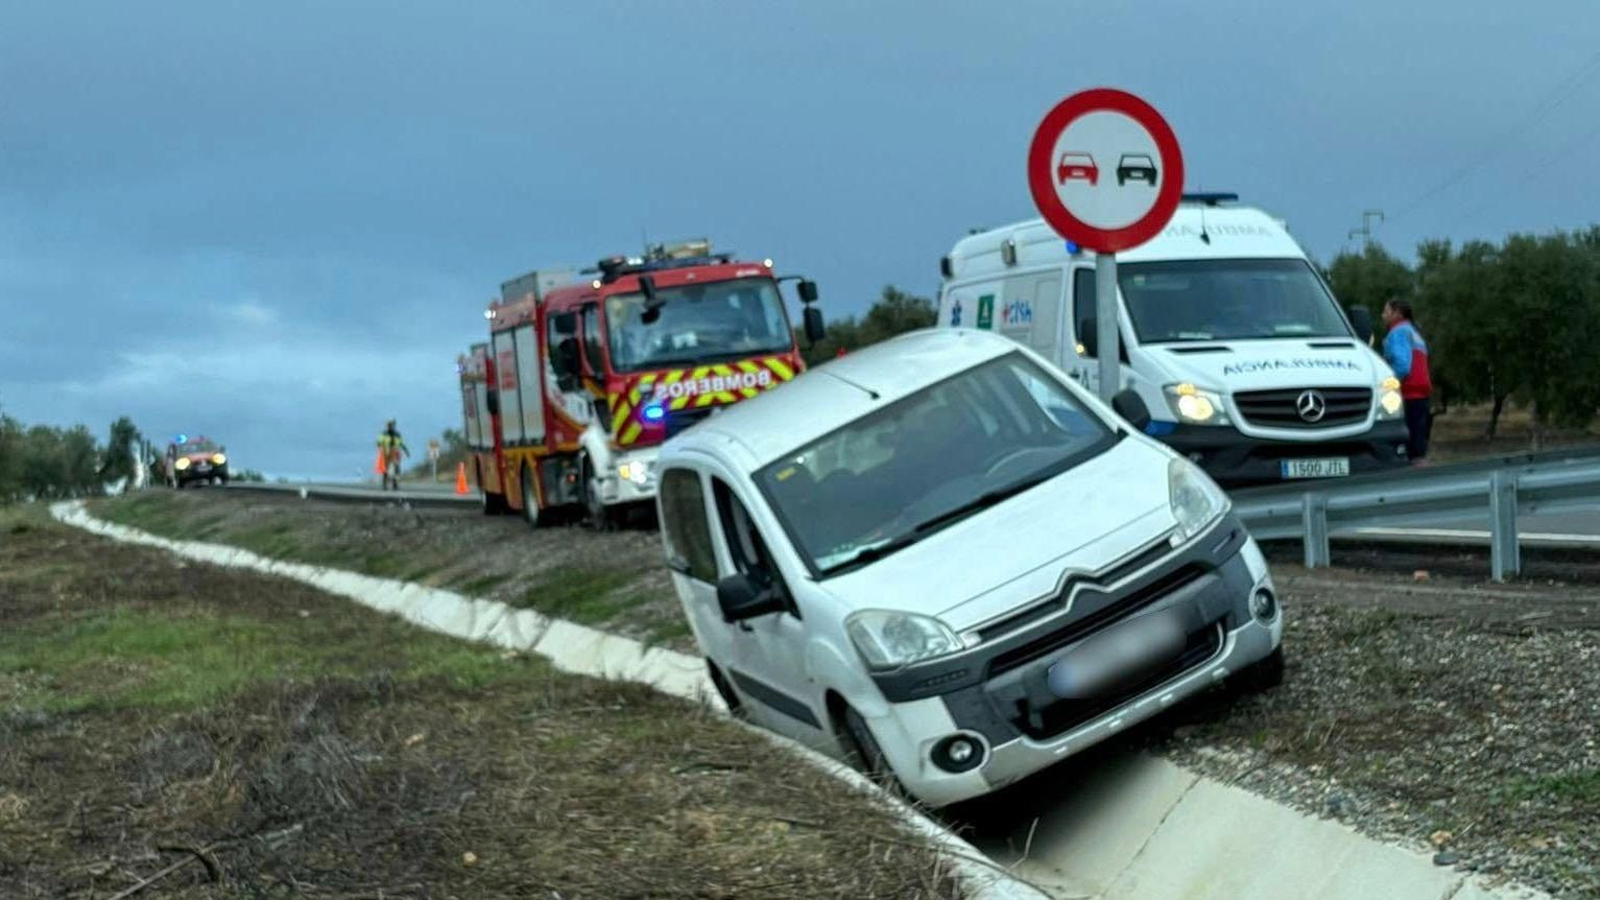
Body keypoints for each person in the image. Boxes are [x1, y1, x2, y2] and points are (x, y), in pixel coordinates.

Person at [1381, 298, 1433, 464]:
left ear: (1397, 313)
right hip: (1421, 395)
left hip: (1407, 394)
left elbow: (1402, 367)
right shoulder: (1414, 333)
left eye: (1386, 311)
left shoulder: (1397, 333)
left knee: (1406, 448)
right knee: (1419, 448)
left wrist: (1385, 387)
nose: (1383, 315)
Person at [377, 419, 410, 490]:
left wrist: (406, 451)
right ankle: (384, 484)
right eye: (389, 425)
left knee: (396, 469)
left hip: (395, 452)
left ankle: (395, 484)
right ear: (387, 426)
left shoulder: (397, 434)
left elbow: (401, 443)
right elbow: (379, 442)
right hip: (386, 452)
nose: (390, 426)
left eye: (392, 425)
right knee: (385, 469)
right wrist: (380, 449)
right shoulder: (383, 434)